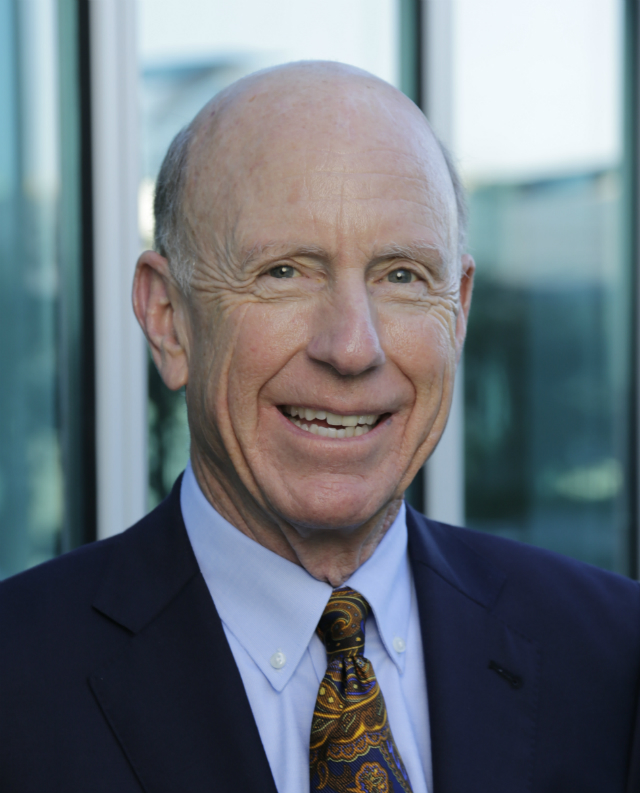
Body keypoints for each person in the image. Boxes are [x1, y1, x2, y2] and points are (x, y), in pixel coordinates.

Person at [1, 61, 639, 793]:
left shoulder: (615, 658)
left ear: (458, 311)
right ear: (169, 319)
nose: (351, 346)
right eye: (284, 272)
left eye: (401, 275)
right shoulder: (16, 682)